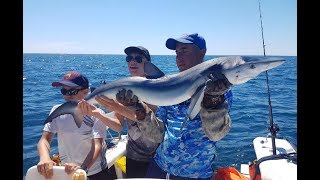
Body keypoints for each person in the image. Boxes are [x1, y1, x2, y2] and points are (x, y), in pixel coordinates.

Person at [113, 33, 233, 179]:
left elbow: (216, 135)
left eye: (184, 50)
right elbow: (158, 135)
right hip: (159, 168)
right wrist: (140, 110)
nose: (178, 56)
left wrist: (213, 101)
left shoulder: (219, 89)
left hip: (195, 174)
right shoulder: (170, 85)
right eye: (177, 52)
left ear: (202, 52)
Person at [84, 46, 162, 178]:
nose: (133, 62)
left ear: (148, 64)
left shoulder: (158, 87)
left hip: (159, 157)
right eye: (129, 58)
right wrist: (97, 113)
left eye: (138, 58)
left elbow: (149, 119)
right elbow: (118, 126)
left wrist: (117, 107)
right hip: (134, 156)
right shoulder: (121, 92)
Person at [37, 71, 121, 180]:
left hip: (95, 171)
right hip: (67, 171)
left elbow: (97, 146)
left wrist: (82, 169)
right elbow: (44, 140)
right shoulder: (56, 111)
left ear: (85, 92)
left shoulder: (97, 114)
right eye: (63, 91)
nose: (67, 95)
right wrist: (44, 158)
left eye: (71, 91)